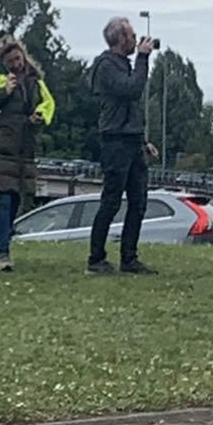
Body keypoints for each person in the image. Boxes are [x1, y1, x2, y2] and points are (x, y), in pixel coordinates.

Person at [0, 35, 55, 271]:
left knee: (15, 201)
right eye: (11, 61)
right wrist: (2, 91)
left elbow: (47, 105)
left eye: (18, 58)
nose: (16, 64)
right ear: (2, 60)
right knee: (3, 200)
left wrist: (39, 118)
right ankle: (2, 254)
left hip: (23, 148)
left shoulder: (35, 80)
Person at [86, 16, 159, 276]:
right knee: (111, 201)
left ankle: (129, 258)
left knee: (138, 201)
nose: (135, 39)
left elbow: (129, 105)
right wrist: (142, 58)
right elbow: (131, 91)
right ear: (119, 39)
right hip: (115, 141)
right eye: (130, 35)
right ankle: (96, 259)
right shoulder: (106, 66)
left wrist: (142, 141)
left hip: (131, 140)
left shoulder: (122, 65)